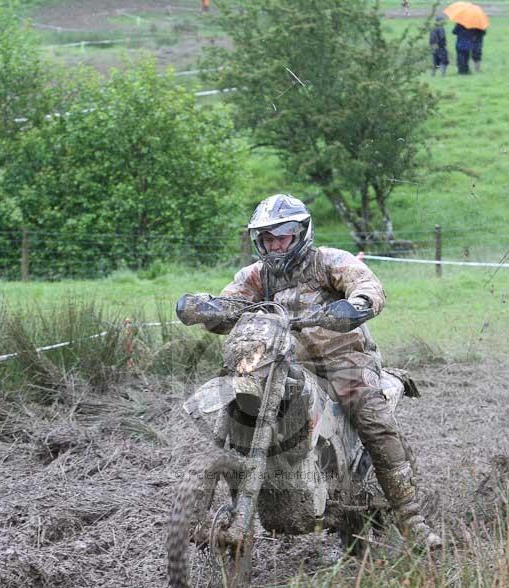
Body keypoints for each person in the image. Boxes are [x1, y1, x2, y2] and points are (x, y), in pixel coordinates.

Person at [177, 194, 441, 551]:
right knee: (238, 397)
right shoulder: (257, 276)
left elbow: (365, 283)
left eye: (281, 236)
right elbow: (232, 301)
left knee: (371, 417)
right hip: (281, 363)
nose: (274, 245)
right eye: (267, 238)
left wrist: (357, 304)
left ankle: (412, 519)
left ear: (301, 233)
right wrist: (205, 306)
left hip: (343, 360)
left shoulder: (328, 262)